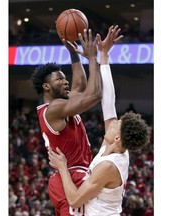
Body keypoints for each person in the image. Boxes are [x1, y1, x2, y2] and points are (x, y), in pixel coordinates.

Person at [48, 25, 151, 215]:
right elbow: (109, 102)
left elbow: (75, 199)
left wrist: (62, 167)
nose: (113, 122)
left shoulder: (108, 166)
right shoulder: (115, 146)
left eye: (117, 124)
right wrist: (103, 56)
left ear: (118, 138)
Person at [31, 28, 103, 216]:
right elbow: (94, 94)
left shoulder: (61, 105)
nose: (65, 82)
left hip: (73, 176)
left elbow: (79, 86)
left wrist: (74, 53)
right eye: (59, 79)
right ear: (46, 86)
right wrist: (93, 59)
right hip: (70, 177)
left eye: (65, 78)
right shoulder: (53, 109)